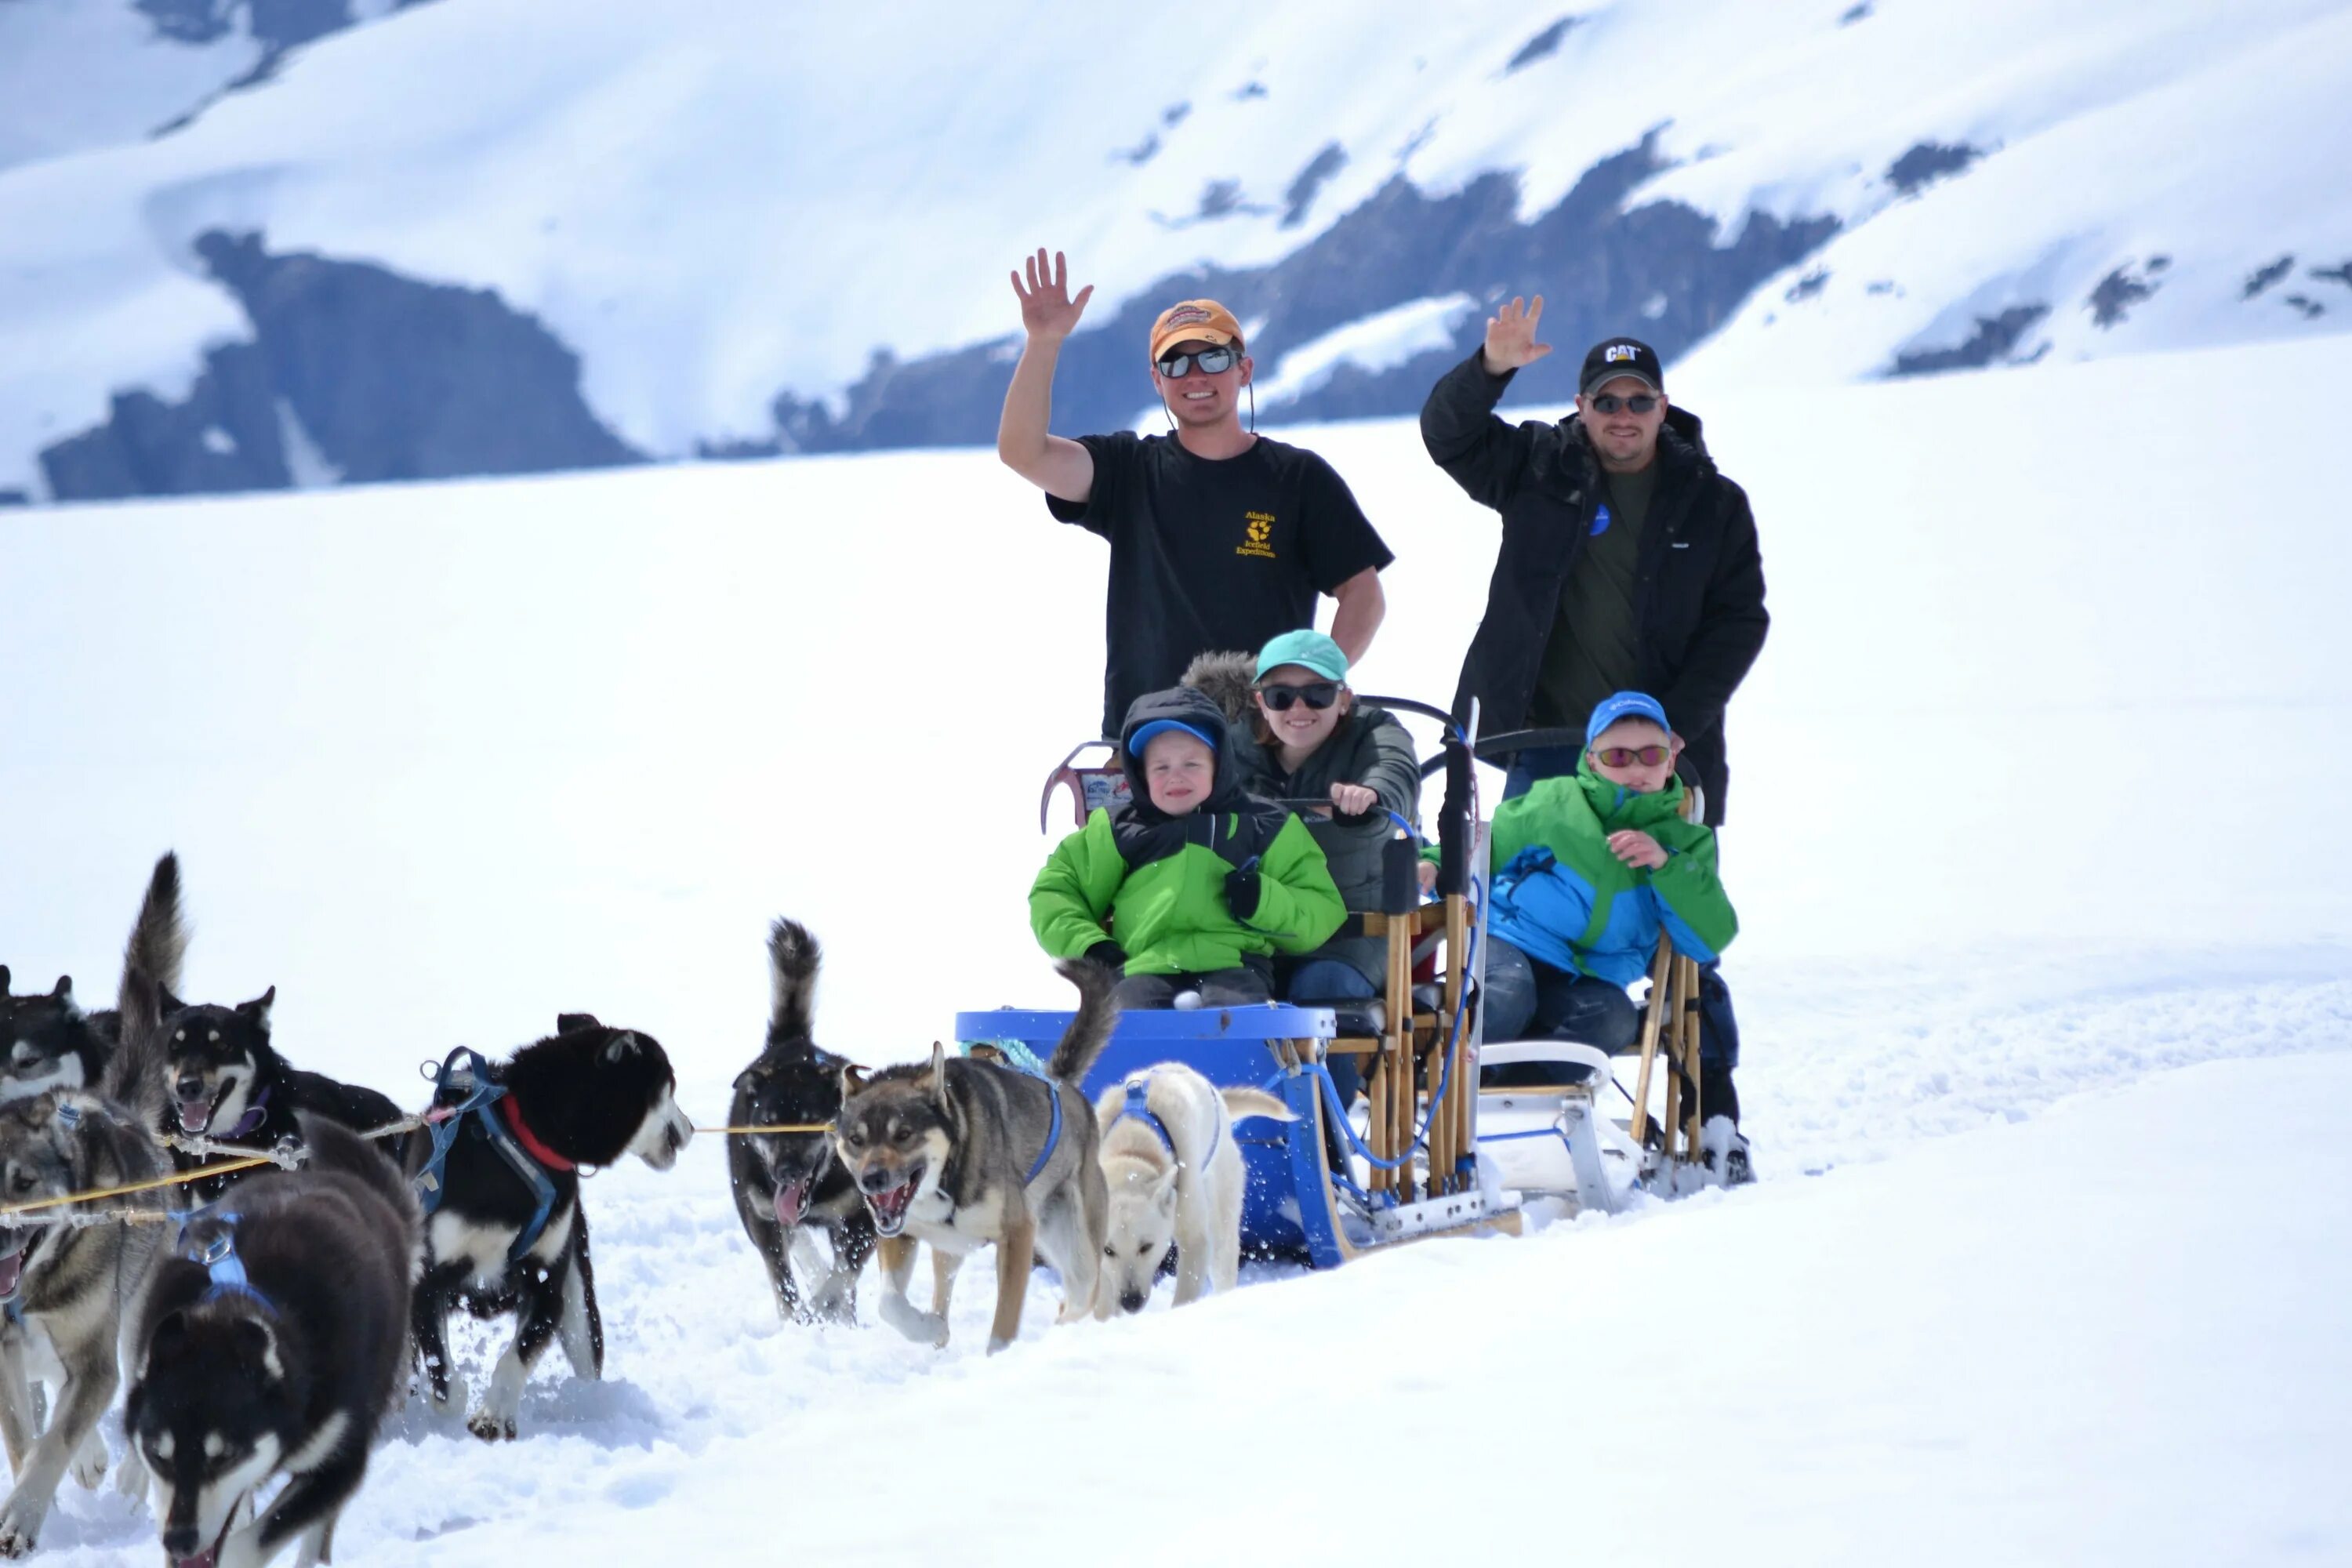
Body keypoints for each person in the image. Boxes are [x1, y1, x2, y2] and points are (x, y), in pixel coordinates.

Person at [997, 249, 1395, 740]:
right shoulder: (1128, 472)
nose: (1196, 375)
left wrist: (1315, 683)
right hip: (1148, 746)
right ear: (1157, 381)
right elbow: (1023, 452)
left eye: (1213, 357)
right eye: (1176, 363)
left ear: (1243, 370)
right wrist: (1044, 343)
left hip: (1264, 744)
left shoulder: (1298, 478)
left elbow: (1362, 592)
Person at [1418, 299, 1766, 818]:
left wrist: (1676, 726)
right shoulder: (1537, 468)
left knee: (1669, 898)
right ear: (1581, 406)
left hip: (1660, 757)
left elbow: (1738, 623)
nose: (1623, 416)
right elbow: (1449, 434)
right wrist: (1489, 369)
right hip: (1545, 746)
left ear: (1663, 407)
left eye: (1638, 401)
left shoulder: (1713, 503)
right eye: (1607, 402)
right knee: (1531, 896)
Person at [1467, 691, 1748, 1181]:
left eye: (1652, 756)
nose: (1635, 768)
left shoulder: (1685, 840)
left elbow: (1708, 938)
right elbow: (1477, 851)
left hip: (1589, 974)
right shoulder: (1552, 803)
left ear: (1671, 760)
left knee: (1615, 1018)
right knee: (1510, 993)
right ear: (1592, 760)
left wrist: (1665, 865)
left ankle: (1521, 1100)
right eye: (1619, 756)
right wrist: (1429, 864)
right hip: (1514, 943)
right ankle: (1446, 1087)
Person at [1181, 629, 1421, 1106]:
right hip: (1254, 930)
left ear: (1345, 698)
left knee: (1318, 991)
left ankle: (1324, 1144)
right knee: (1211, 991)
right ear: (1260, 702)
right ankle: (1235, 1128)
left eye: (1318, 694)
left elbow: (1395, 774)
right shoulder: (1229, 749)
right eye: (1281, 696)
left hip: (1348, 934)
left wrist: (1371, 797)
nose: (1299, 709)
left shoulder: (1376, 732)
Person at [1029, 686, 1346, 1011]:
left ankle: (1242, 1062)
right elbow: (1054, 893)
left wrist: (1263, 900)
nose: (1175, 778)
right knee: (1124, 1029)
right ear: (1140, 775)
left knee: (1237, 1024)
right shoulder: (1114, 831)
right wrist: (1092, 948)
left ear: (1219, 765)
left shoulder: (1265, 825)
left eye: (1191, 764)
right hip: (1142, 969)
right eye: (1161, 767)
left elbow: (1322, 909)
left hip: (1236, 969)